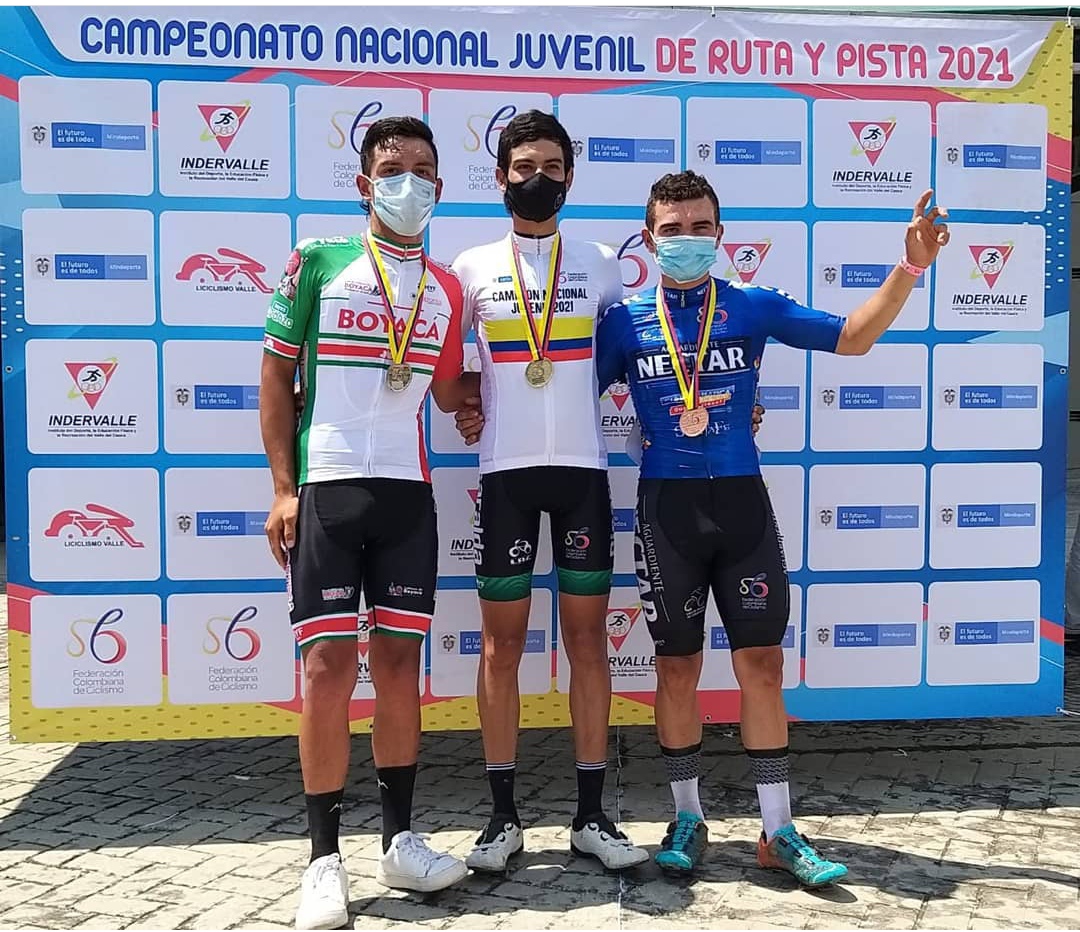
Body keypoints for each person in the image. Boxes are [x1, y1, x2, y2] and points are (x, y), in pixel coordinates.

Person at [591, 171, 949, 885]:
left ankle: (777, 830)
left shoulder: (752, 305)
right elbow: (566, 403)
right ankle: (687, 817)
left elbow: (852, 337)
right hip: (666, 511)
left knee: (763, 666)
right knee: (676, 667)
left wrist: (910, 267)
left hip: (741, 506)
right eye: (672, 229)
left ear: (720, 235)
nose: (687, 239)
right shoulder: (624, 321)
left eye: (700, 228)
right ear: (649, 239)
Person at [260, 116, 480, 930]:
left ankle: (398, 841)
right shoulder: (318, 260)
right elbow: (275, 377)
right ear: (365, 184)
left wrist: (478, 405)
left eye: (422, 169)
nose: (408, 182)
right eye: (393, 169)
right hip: (329, 486)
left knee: (396, 666)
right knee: (326, 669)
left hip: (406, 495)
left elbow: (448, 389)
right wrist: (284, 489)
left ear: (440, 187)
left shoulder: (447, 288)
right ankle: (323, 860)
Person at [448, 110, 649, 872]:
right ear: (501, 176)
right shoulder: (470, 267)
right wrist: (467, 402)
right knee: (501, 648)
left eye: (554, 167)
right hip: (504, 476)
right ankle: (502, 819)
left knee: (588, 643)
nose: (539, 178)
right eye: (525, 166)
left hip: (583, 476)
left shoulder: (602, 263)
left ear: (571, 176)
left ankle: (591, 816)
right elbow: (450, 369)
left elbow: (638, 355)